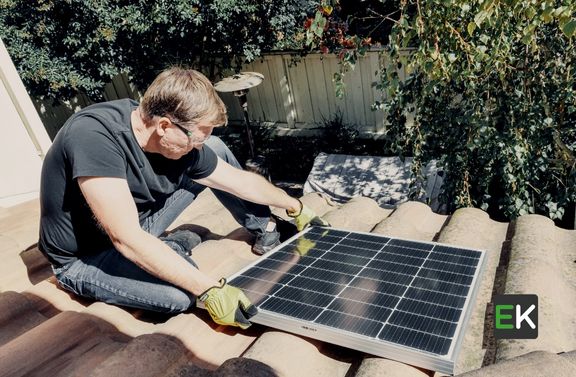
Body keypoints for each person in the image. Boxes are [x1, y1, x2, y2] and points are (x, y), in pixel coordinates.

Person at [38, 67, 328, 329]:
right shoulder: (94, 137)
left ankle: (264, 230)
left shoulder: (180, 142)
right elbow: (124, 237)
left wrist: (294, 205)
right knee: (181, 295)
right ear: (164, 126)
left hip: (139, 222)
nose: (197, 147)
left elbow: (238, 180)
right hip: (85, 256)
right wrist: (211, 289)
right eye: (195, 138)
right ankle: (168, 247)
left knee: (216, 149)